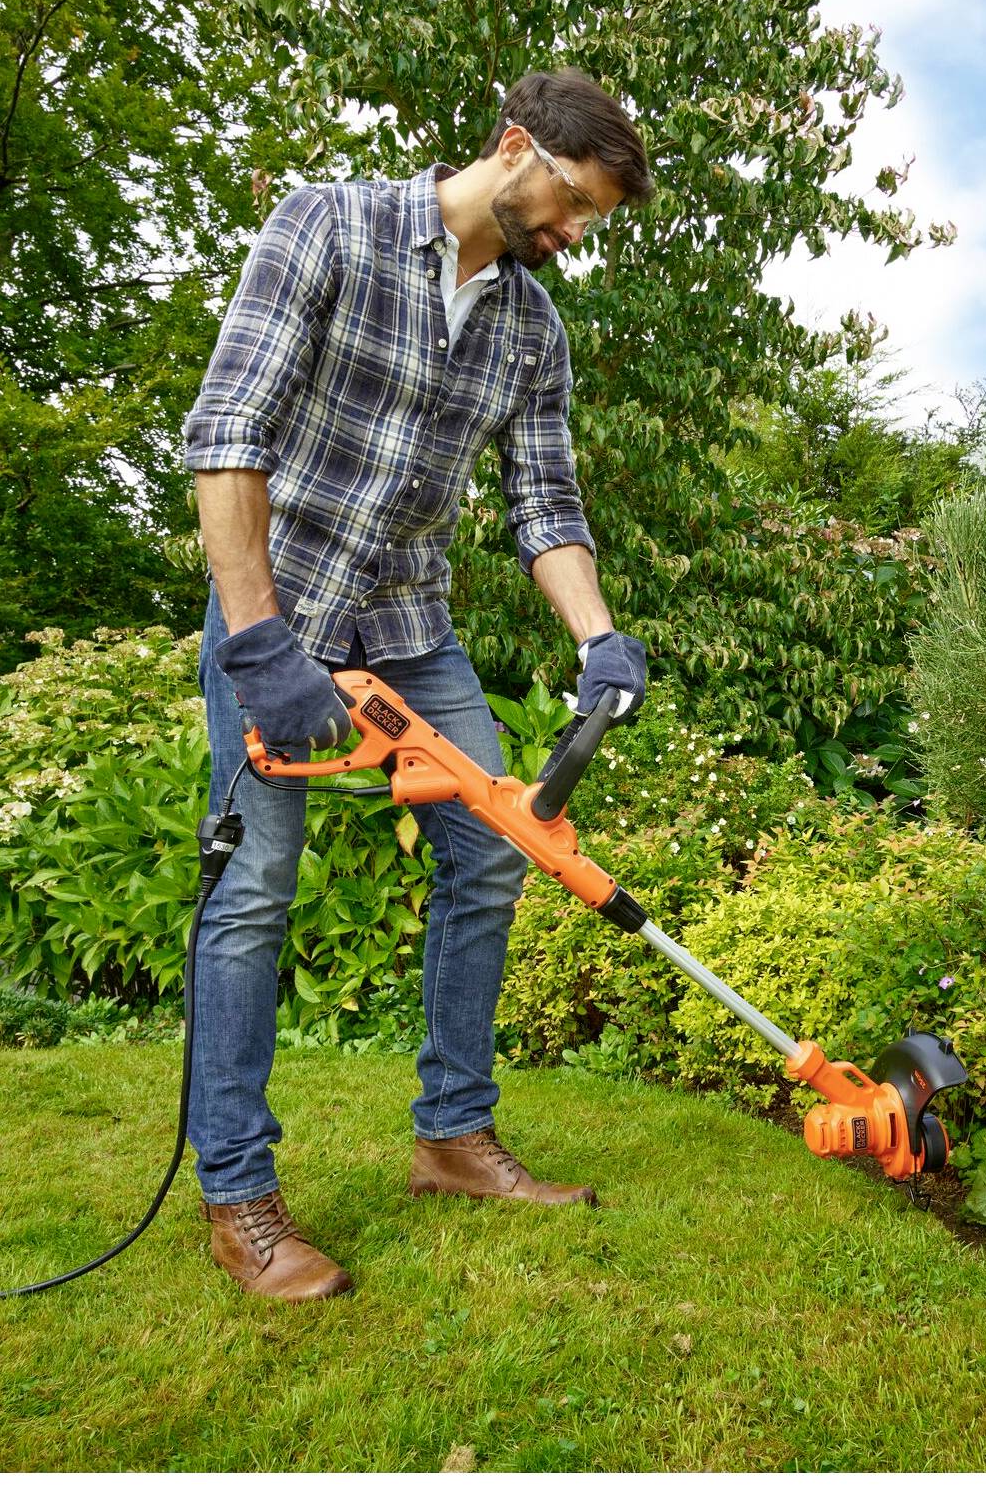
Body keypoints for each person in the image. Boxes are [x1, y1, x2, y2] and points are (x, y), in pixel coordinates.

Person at [181, 68, 655, 1302]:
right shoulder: (327, 225)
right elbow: (226, 431)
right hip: (272, 615)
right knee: (252, 890)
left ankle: (453, 1133)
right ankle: (239, 1198)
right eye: (572, 205)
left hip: (409, 626)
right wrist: (259, 645)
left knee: (496, 847)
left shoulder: (532, 328)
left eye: (593, 221)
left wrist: (598, 636)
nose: (573, 235)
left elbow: (544, 503)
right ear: (515, 147)